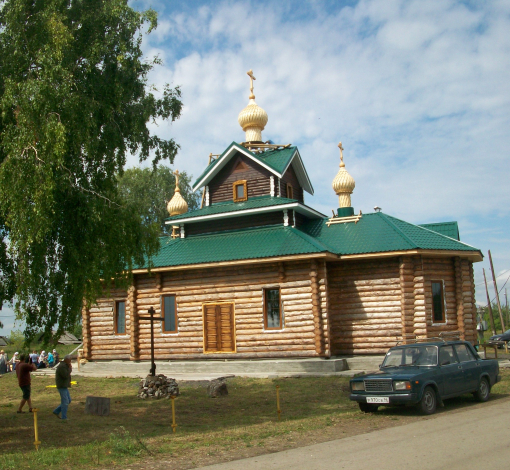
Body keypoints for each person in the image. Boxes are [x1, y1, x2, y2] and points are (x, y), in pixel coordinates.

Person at [53, 355, 72, 421]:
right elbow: (65, 375)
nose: (70, 361)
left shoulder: (65, 365)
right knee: (65, 401)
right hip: (61, 386)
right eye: (70, 360)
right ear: (66, 359)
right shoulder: (62, 366)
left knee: (68, 400)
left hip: (64, 385)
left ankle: (56, 411)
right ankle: (64, 417)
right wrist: (70, 369)